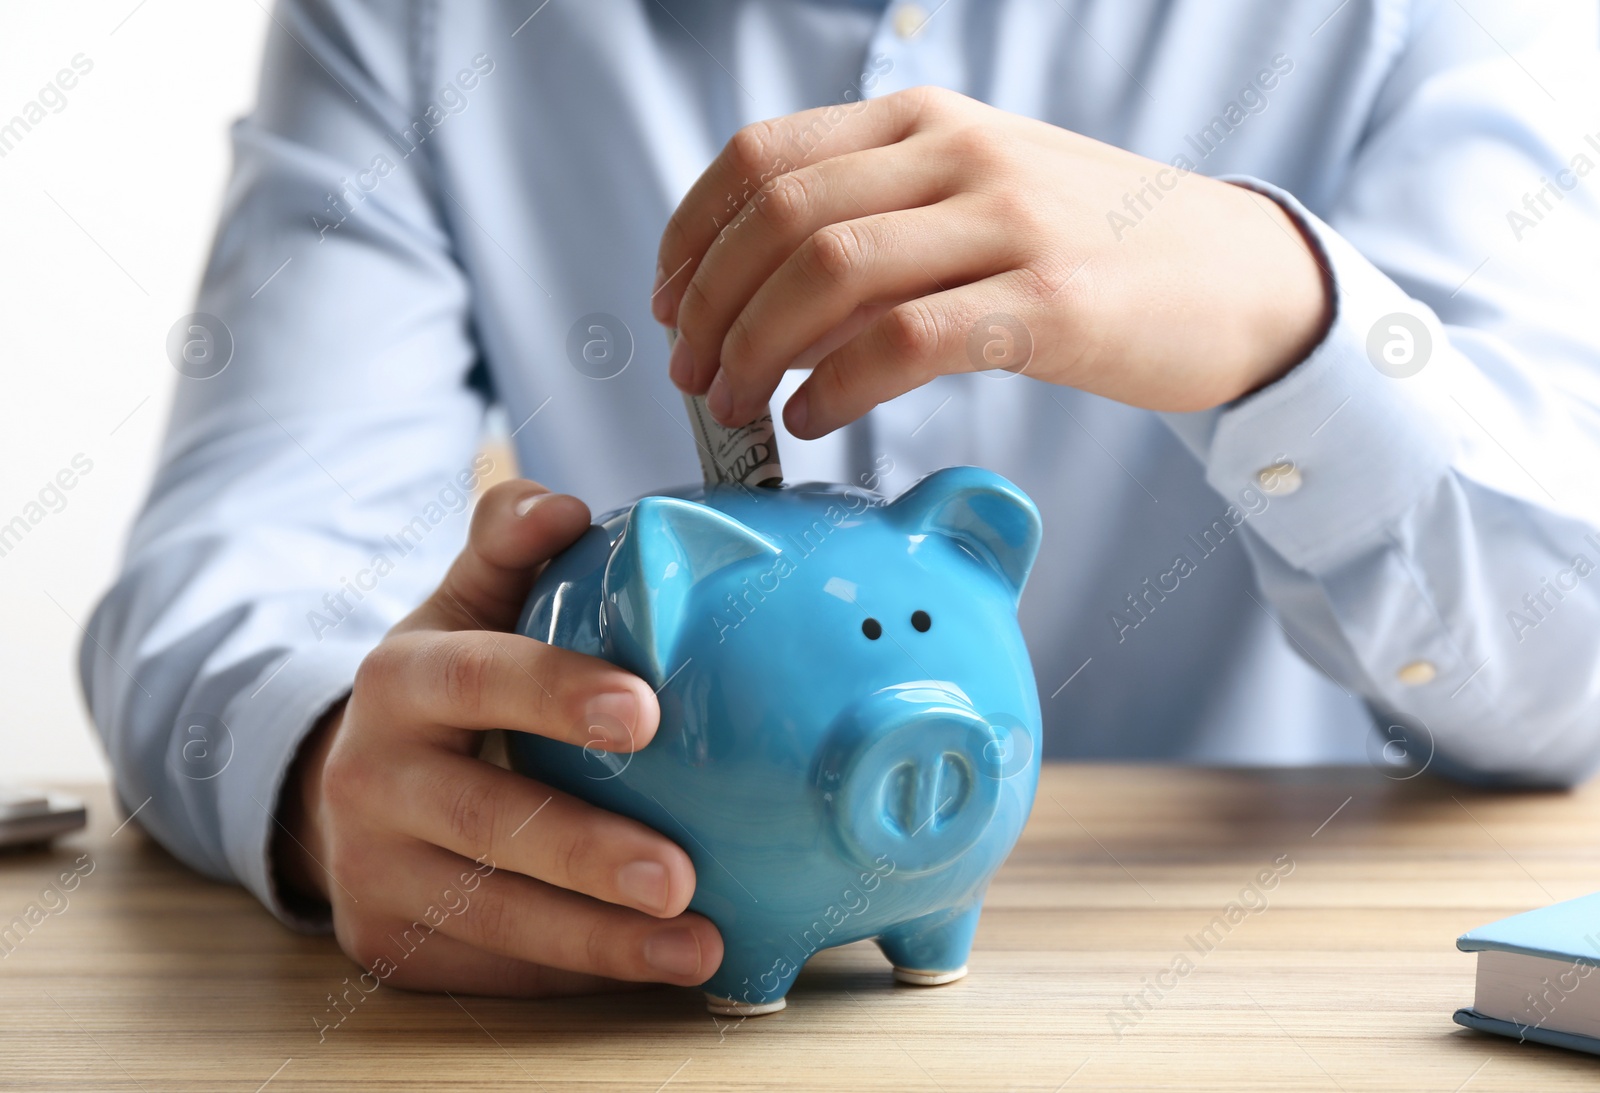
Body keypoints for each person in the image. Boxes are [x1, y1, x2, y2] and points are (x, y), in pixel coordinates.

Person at [82, 0, 1600, 998]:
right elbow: (226, 579)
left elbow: (1566, 673)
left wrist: (1290, 315)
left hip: (1246, 992)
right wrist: (333, 772)